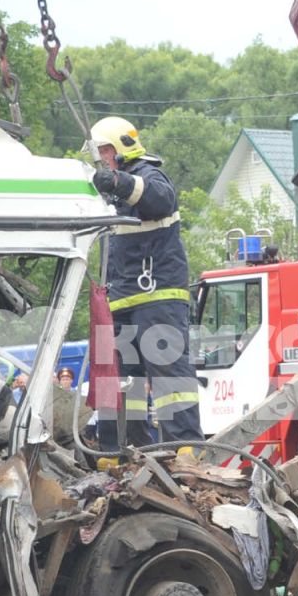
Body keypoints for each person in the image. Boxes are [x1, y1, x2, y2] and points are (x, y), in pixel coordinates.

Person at [88, 116, 201, 451]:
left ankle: (185, 449)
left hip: (158, 294)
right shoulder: (107, 191)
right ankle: (120, 450)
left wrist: (120, 182)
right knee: (122, 382)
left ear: (120, 148)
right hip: (121, 300)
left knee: (169, 375)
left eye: (104, 151)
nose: (99, 160)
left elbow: (161, 199)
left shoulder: (147, 175)